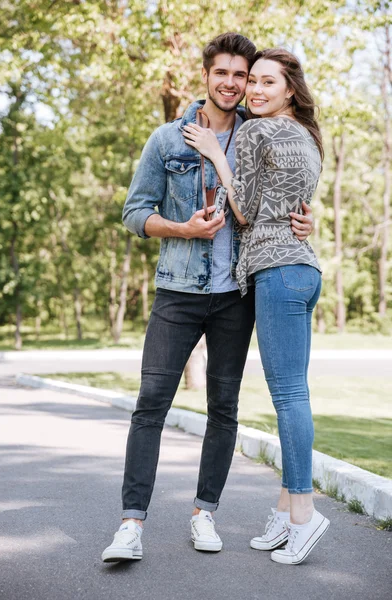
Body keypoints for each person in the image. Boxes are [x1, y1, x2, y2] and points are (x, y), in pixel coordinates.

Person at [101, 34, 314, 564]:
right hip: (178, 290)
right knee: (150, 407)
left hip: (237, 295)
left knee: (224, 409)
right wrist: (182, 229)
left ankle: (205, 513)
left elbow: (281, 197)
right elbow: (133, 213)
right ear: (206, 75)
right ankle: (131, 525)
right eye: (222, 72)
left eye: (241, 75)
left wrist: (309, 219)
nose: (232, 83)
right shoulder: (168, 139)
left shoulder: (259, 133)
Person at [183, 47, 329, 565]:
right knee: (295, 393)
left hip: (276, 270)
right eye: (254, 83)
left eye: (269, 82)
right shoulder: (307, 136)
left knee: (289, 397)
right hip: (303, 270)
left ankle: (305, 516)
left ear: (291, 89)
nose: (256, 91)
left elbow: (243, 211)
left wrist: (218, 155)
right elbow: (293, 206)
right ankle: (284, 512)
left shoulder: (253, 132)